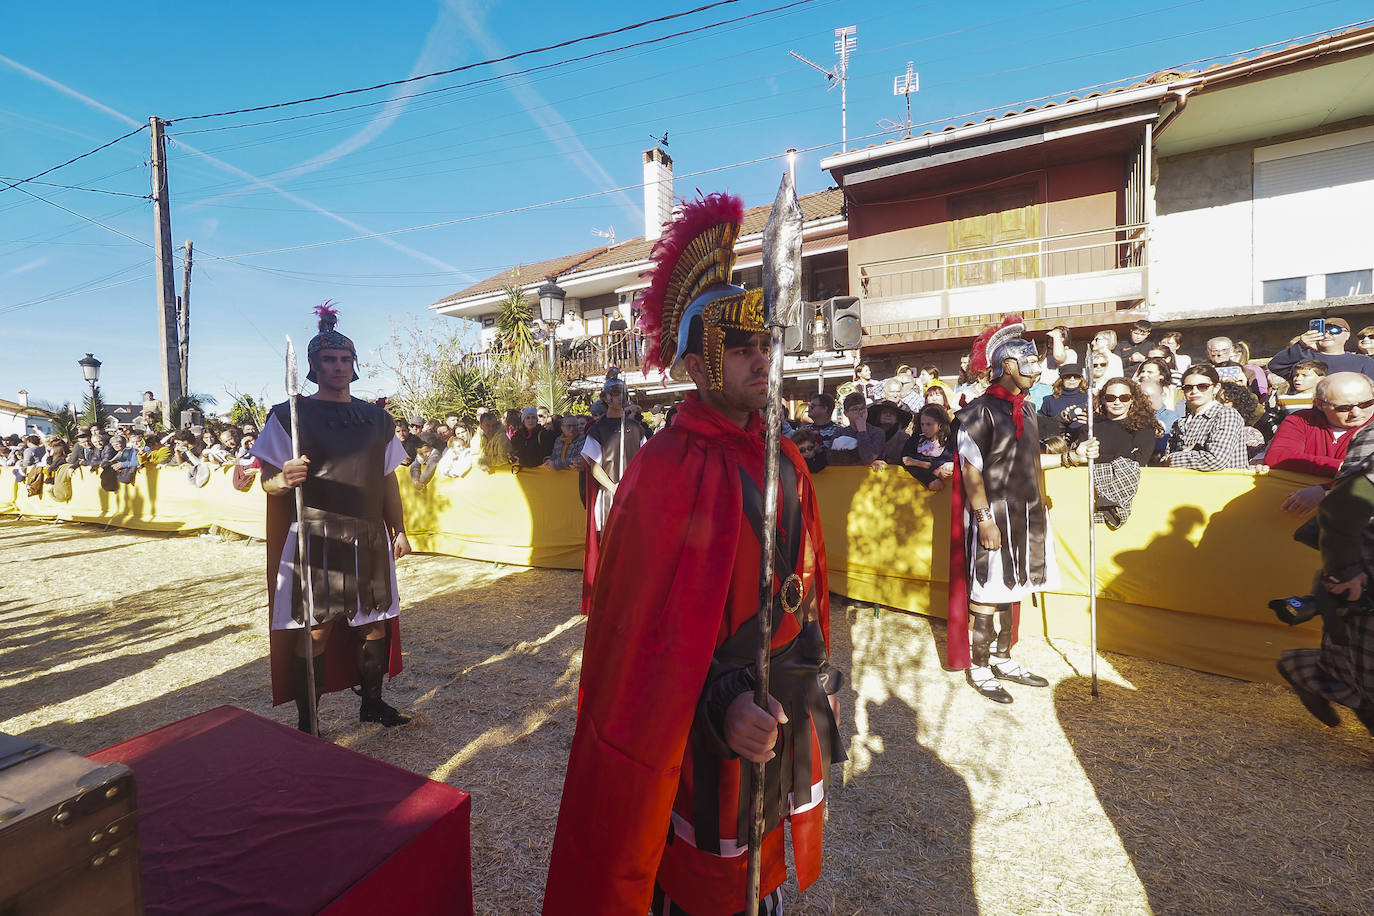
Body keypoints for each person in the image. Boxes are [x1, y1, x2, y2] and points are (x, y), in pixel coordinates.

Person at [545, 192, 842, 916]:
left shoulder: (786, 458)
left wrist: (810, 669)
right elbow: (645, 642)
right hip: (703, 736)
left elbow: (806, 587)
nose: (760, 361)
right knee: (700, 885)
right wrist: (721, 703)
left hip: (780, 712)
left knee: (763, 878)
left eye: (764, 346)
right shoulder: (666, 467)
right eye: (740, 349)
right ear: (697, 366)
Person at [251, 302, 411, 733]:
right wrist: (283, 479)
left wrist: (400, 529)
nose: (339, 367)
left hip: (368, 535)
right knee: (316, 630)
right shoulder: (289, 415)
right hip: (315, 534)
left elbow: (389, 480)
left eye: (345, 359)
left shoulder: (378, 419)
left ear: (354, 364)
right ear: (313, 365)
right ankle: (310, 723)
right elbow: (267, 481)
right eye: (329, 359)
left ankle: (373, 704)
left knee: (375, 625)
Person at [950, 315, 1098, 703]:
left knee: (1014, 586)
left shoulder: (1028, 409)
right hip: (994, 514)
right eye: (1028, 361)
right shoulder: (976, 412)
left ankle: (1003, 657)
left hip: (1028, 513)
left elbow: (1030, 462)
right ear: (1008, 366)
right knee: (987, 590)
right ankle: (980, 668)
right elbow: (972, 473)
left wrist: (1072, 458)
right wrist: (984, 520)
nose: (1036, 367)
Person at [1275, 420, 1374, 736]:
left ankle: (1308, 671)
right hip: (1362, 571)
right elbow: (1344, 506)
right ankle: (1307, 671)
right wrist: (1342, 571)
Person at [1266, 373, 1374, 518]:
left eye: (1365, 404)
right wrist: (1343, 468)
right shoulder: (1301, 420)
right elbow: (1277, 456)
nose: (1356, 412)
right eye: (1344, 408)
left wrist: (1326, 490)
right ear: (1319, 404)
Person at [1089, 378, 1158, 528]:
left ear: (1132, 399)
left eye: (1124, 397)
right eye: (1110, 397)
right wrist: (1121, 455)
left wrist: (1101, 456)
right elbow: (1084, 458)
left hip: (1133, 498)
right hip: (1091, 494)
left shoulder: (1144, 428)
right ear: (1103, 399)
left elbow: (1138, 460)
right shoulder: (1090, 427)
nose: (1117, 402)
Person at [1162, 365, 1248, 470]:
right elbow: (1164, 462)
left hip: (1224, 484)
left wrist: (1172, 459)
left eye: (1203, 386)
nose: (1194, 391)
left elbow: (1216, 460)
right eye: (1188, 387)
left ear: (1216, 388)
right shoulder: (1179, 423)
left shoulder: (1226, 415)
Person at [1269, 317, 1374, 384]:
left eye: (1334, 330)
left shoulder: (1363, 362)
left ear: (1347, 335)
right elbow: (1275, 365)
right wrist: (1300, 345)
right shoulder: (1304, 359)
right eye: (1322, 331)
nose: (1327, 334)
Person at [901, 404, 954, 491]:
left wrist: (916, 462)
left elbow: (947, 461)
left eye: (929, 424)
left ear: (940, 425)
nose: (924, 428)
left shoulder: (950, 442)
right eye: (922, 424)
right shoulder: (915, 439)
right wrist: (930, 477)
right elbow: (906, 461)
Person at [827, 392, 885, 466]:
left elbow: (868, 458)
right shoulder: (840, 432)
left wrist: (862, 431)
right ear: (846, 413)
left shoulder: (877, 432)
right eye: (855, 409)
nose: (860, 412)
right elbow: (831, 460)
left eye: (863, 408)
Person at [868, 398, 914, 465]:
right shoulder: (870, 435)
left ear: (897, 419)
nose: (888, 415)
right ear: (879, 416)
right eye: (884, 412)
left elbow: (904, 459)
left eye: (892, 413)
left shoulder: (903, 437)